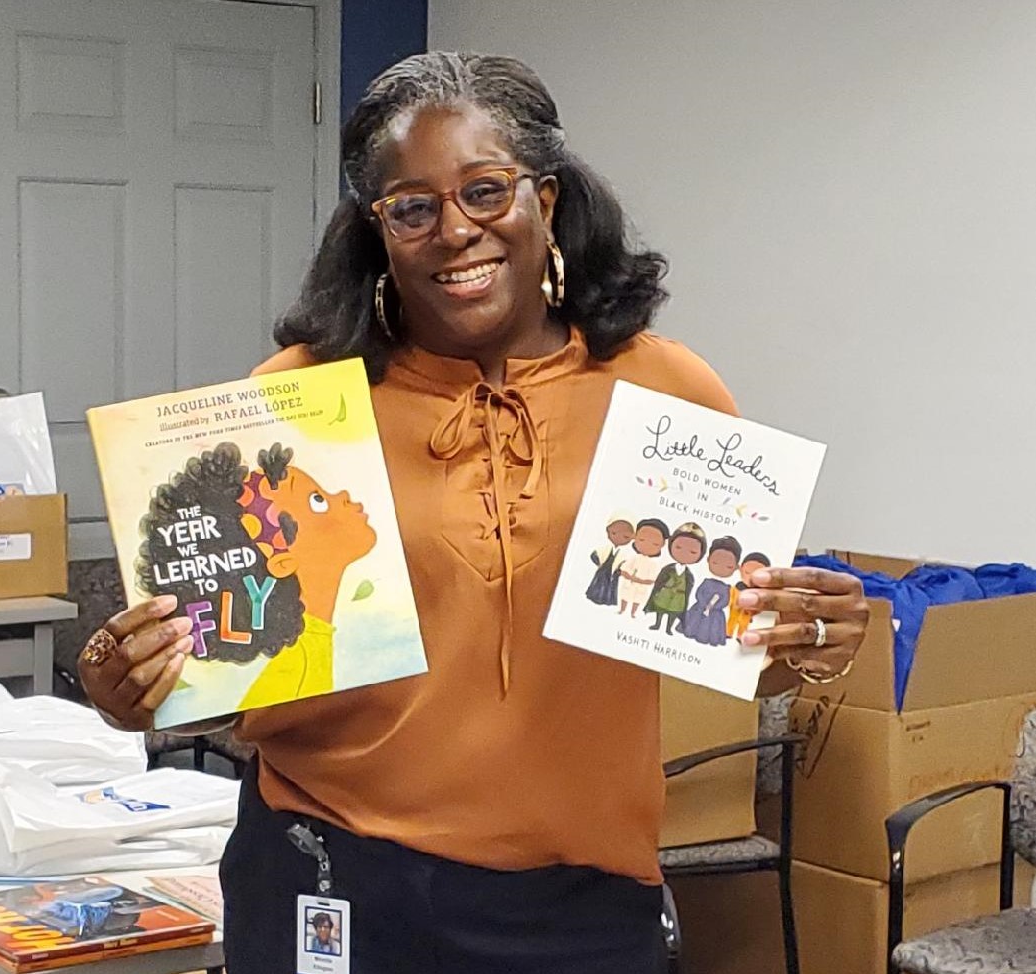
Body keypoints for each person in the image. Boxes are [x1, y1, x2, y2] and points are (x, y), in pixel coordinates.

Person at [76, 52, 869, 974]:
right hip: (331, 874)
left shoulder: (664, 387)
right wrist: (125, 681)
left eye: (485, 192)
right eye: (412, 207)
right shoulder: (295, 404)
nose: (455, 231)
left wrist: (803, 639)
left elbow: (728, 647)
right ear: (379, 231)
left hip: (581, 900)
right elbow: (227, 654)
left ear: (548, 199)